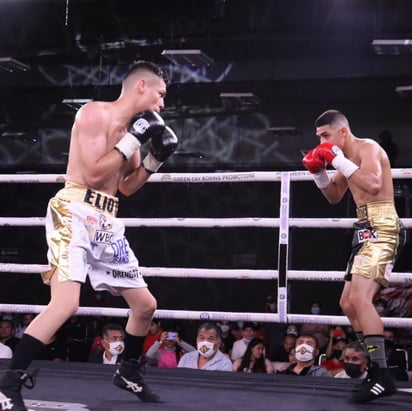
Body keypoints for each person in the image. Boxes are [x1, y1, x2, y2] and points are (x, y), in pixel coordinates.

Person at [0, 60, 178, 409]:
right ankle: (9, 384)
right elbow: (96, 174)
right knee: (66, 304)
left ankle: (128, 371)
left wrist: (155, 160)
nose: (162, 105)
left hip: (107, 220)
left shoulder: (130, 131)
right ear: (141, 86)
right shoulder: (95, 114)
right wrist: (134, 138)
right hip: (73, 212)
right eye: (160, 95)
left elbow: (125, 187)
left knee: (145, 306)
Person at [302, 109, 406, 402]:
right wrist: (319, 174)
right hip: (363, 229)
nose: (322, 141)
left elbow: (373, 184)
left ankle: (383, 375)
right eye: (319, 137)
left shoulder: (368, 148)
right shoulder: (345, 161)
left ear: (342, 131)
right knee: (347, 303)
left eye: (326, 135)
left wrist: (335, 159)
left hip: (383, 226)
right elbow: (335, 196)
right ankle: (376, 370)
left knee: (361, 299)